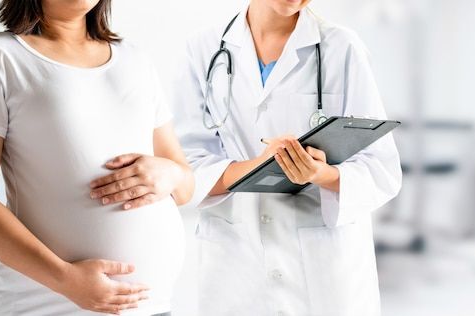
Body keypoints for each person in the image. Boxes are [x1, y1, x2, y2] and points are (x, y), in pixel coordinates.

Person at [92, 0, 401, 315]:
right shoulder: (205, 49)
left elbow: (381, 168)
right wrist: (259, 166)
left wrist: (321, 174)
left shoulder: (342, 47)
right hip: (237, 263)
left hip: (324, 268)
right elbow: (186, 170)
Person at [0, 0, 193, 315]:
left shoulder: (135, 59)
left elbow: (185, 187)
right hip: (47, 306)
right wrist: (66, 279)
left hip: (152, 306)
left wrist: (170, 174)